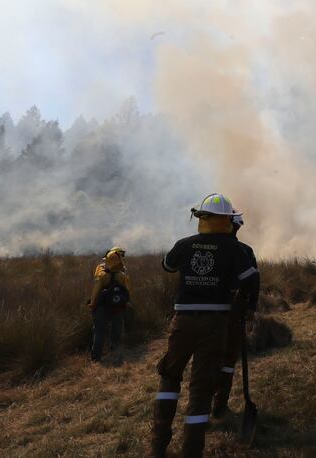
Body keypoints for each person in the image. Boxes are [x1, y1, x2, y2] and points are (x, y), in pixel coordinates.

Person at [150, 194, 257, 458]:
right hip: (215, 323)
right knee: (200, 389)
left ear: (201, 217)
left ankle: (157, 447)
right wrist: (243, 302)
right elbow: (251, 278)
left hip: (183, 321)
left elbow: (167, 265)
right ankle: (191, 452)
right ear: (229, 221)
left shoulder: (185, 245)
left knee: (170, 375)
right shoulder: (235, 249)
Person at [211, 213, 259, 419]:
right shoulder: (245, 251)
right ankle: (219, 405)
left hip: (210, 312)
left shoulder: (208, 247)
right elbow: (254, 280)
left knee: (211, 357)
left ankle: (204, 404)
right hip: (233, 311)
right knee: (228, 358)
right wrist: (250, 307)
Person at [88, 246, 131, 363]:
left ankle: (95, 358)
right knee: (117, 330)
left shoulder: (100, 272)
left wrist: (92, 305)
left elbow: (95, 291)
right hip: (117, 307)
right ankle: (115, 353)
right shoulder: (122, 275)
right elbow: (128, 291)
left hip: (101, 308)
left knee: (99, 332)